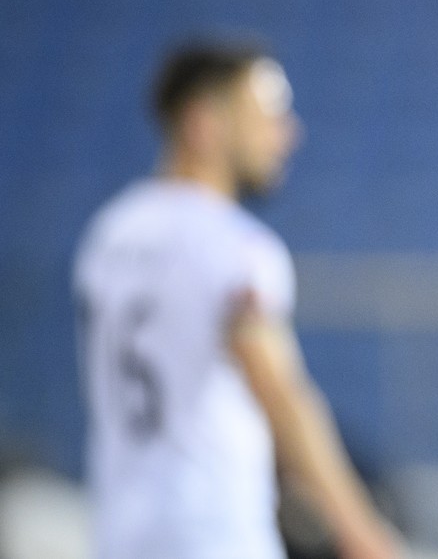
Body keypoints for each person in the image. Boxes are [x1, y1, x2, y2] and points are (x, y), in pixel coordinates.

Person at [74, 41, 398, 559]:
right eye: (266, 115)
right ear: (204, 123)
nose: (287, 133)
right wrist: (367, 539)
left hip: (121, 534)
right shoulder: (236, 248)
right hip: (210, 535)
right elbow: (283, 397)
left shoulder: (109, 234)